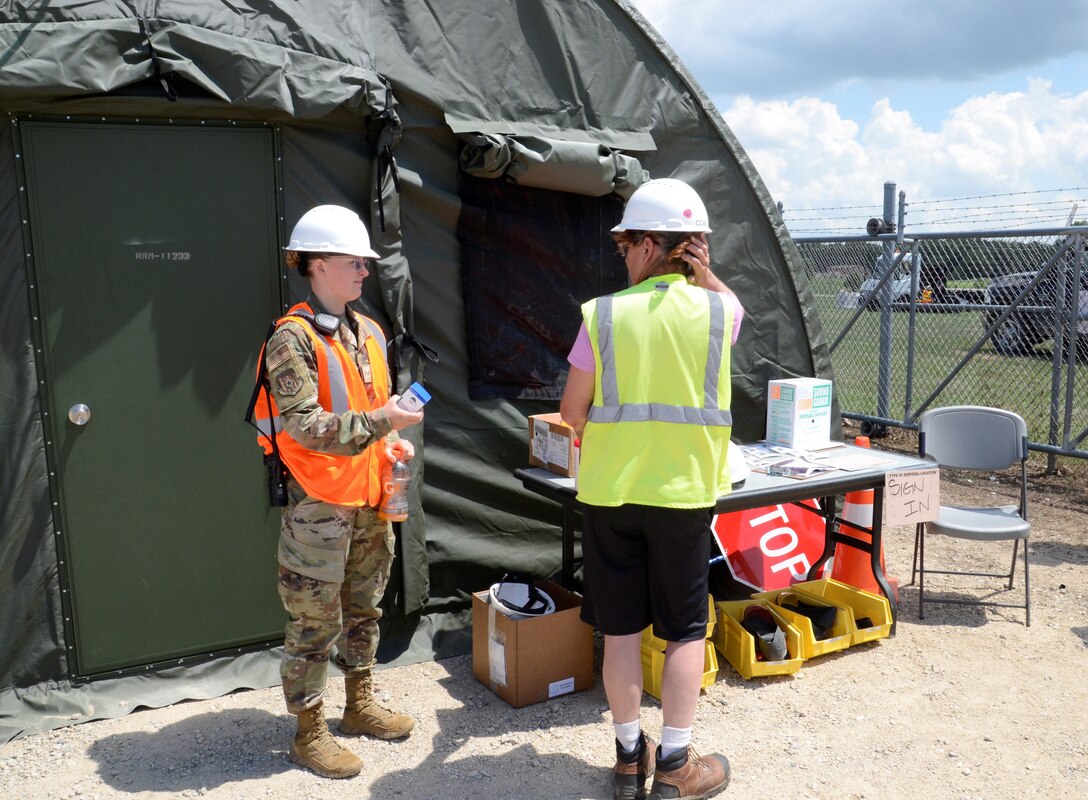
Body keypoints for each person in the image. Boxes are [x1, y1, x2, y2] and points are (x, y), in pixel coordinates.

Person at [560, 179, 743, 800]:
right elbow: (731, 311)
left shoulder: (602, 315)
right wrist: (705, 275)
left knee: (621, 633)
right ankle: (675, 767)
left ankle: (626, 759)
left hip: (612, 495)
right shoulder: (721, 312)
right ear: (692, 248)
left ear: (646, 246)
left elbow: (572, 411)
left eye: (625, 245)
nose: (621, 256)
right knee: (686, 630)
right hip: (684, 497)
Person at [252, 205, 423, 779]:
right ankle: (308, 732)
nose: (364, 273)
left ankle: (359, 705)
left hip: (371, 500)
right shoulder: (290, 340)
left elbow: (374, 410)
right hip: (320, 509)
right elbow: (305, 425)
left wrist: (391, 442)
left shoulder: (368, 329)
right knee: (312, 623)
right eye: (354, 263)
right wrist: (384, 422)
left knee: (363, 611)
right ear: (318, 265)